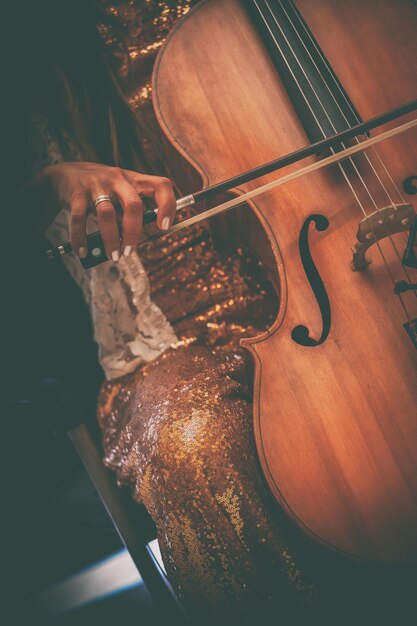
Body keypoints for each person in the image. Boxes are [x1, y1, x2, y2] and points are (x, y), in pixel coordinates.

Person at [4, 1, 412, 624]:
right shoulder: (36, 47)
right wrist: (49, 185)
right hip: (173, 341)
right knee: (197, 442)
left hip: (349, 279)